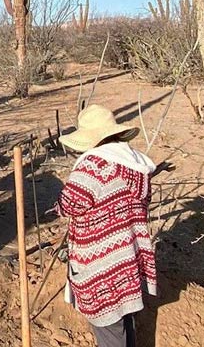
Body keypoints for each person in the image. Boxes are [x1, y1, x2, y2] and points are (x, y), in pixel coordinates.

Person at [54, 104, 157, 347]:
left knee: (108, 326)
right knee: (124, 317)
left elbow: (68, 204)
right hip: (128, 257)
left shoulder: (94, 166)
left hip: (102, 262)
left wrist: (57, 205)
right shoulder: (136, 164)